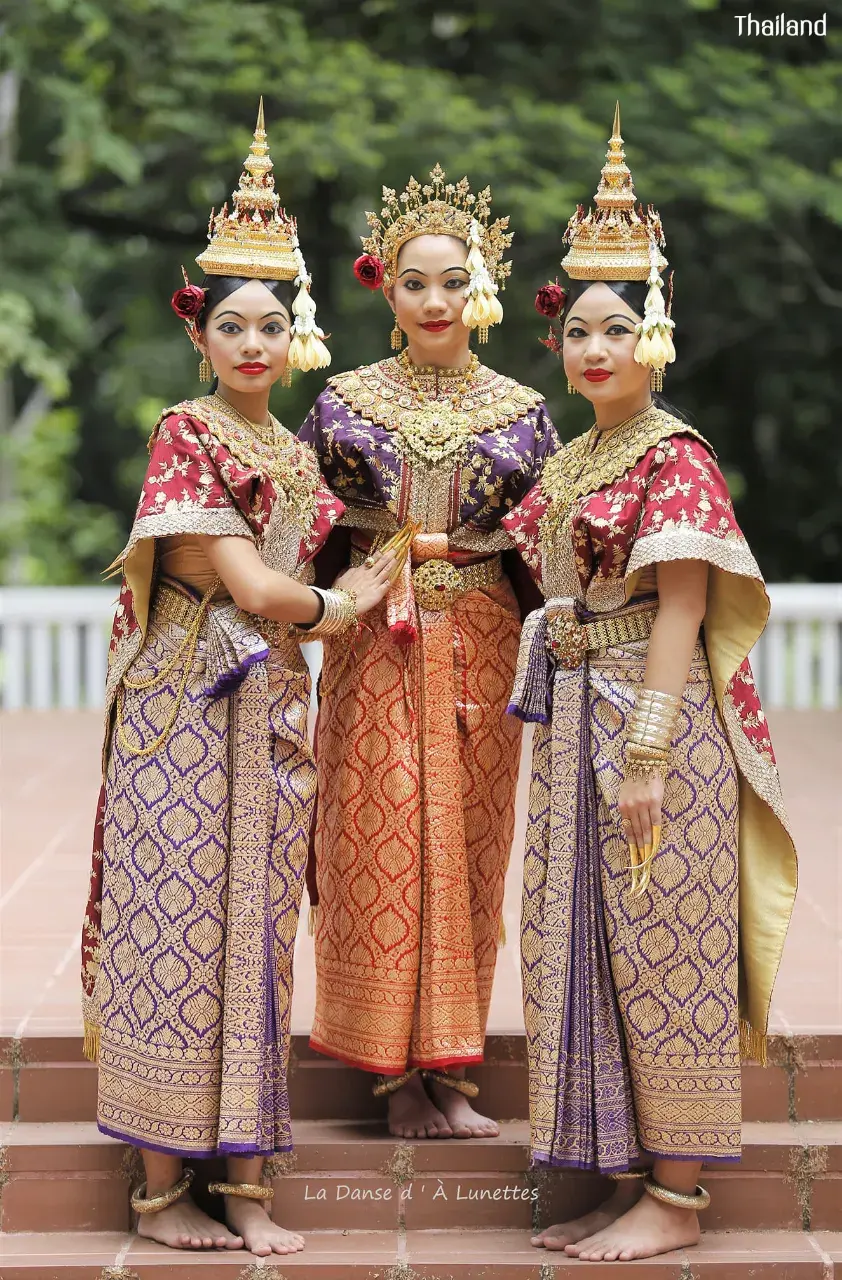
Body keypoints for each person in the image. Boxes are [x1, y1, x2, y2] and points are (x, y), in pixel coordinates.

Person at [79, 101, 397, 1257]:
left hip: (273, 710)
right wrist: (343, 604)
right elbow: (255, 590)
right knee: (175, 926)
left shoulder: (298, 450)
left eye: (272, 324)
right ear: (200, 337)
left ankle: (248, 1184)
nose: (254, 344)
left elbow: (319, 558)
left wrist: (379, 576)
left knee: (255, 934)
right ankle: (165, 1193)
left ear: (292, 333)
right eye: (234, 327)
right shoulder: (185, 431)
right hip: (183, 704)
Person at [503, 106, 797, 1261]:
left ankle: (674, 1201)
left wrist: (646, 753)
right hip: (573, 708)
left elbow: (678, 603)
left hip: (646, 720)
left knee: (661, 945)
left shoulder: (673, 455)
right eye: (576, 330)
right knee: (578, 937)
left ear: (655, 337)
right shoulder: (569, 459)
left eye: (616, 330)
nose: (592, 350)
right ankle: (624, 1166)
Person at [298, 165, 558, 1140]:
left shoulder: (524, 409)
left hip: (483, 635)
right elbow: (293, 528)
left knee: (467, 844)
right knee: (378, 829)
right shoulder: (340, 403)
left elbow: (549, 545)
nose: (436, 299)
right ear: (384, 287)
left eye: (453, 280)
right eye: (415, 281)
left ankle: (447, 1064)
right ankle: (388, 1073)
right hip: (376, 634)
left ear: (479, 286)